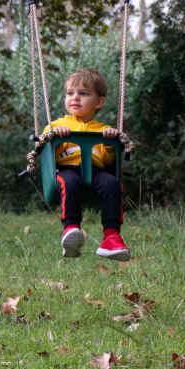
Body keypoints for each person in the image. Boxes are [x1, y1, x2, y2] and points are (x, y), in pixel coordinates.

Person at [44, 68, 130, 261]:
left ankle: (111, 236)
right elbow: (45, 150)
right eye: (70, 93)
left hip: (95, 171)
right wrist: (59, 136)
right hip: (66, 170)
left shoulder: (103, 130)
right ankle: (71, 229)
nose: (75, 98)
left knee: (112, 184)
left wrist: (109, 142)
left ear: (99, 102)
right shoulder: (56, 126)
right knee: (70, 182)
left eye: (83, 94)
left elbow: (108, 161)